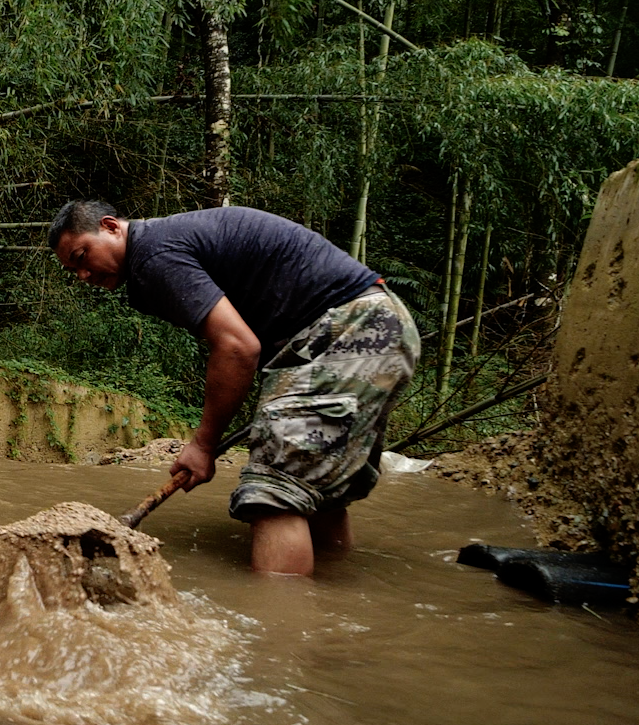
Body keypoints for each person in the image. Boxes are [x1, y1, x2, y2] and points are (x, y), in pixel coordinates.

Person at [48, 200, 420, 577]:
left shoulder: (153, 254)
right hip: (377, 326)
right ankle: (330, 616)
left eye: (82, 256)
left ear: (111, 227)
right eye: (72, 269)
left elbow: (237, 347)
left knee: (275, 492)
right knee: (316, 490)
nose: (82, 275)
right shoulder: (166, 240)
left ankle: (281, 630)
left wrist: (204, 445)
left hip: (349, 331)